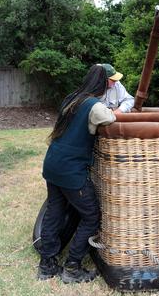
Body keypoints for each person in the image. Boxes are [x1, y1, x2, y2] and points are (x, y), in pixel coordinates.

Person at [37, 64, 116, 283]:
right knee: (91, 216)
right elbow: (111, 120)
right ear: (103, 82)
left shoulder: (72, 98)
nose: (115, 84)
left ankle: (47, 265)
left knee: (54, 212)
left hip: (52, 164)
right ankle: (72, 267)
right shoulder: (95, 106)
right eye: (112, 81)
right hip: (71, 170)